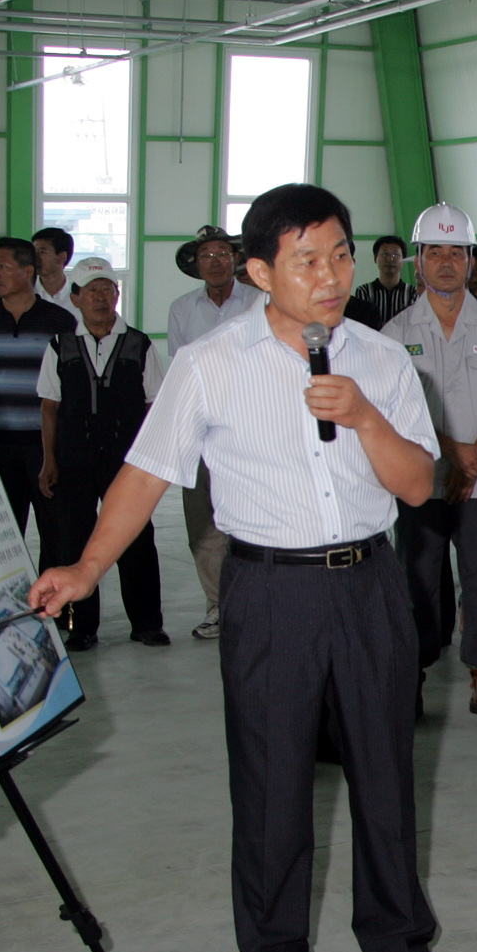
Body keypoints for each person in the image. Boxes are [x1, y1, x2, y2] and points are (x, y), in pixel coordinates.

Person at [30, 182, 467, 952]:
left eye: (341, 254)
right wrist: (86, 567)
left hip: (370, 586)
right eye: (308, 260)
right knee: (270, 792)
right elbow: (147, 473)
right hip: (269, 592)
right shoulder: (209, 363)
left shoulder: (380, 360)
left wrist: (364, 413)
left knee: (385, 775)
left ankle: (399, 951)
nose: (332, 275)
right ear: (262, 269)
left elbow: (419, 484)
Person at [380, 203, 477, 722]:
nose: (446, 261)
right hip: (420, 478)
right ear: (417, 262)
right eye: (434, 252)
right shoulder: (394, 334)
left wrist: (473, 460)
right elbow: (394, 411)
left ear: (471, 261)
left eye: (456, 252)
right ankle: (410, 679)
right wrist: (453, 453)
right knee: (415, 579)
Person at [34, 255, 166, 650]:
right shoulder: (59, 345)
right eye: (91, 290)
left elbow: (153, 406)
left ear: (117, 294)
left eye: (107, 289)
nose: (99, 297)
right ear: (75, 298)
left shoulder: (139, 344)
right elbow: (49, 406)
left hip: (126, 461)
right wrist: (49, 460)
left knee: (136, 537)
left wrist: (149, 461)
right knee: (73, 540)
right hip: (73, 458)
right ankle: (81, 627)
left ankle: (147, 623)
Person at [167, 225, 262, 640]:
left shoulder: (260, 302)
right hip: (201, 431)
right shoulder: (182, 309)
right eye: (206, 255)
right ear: (196, 264)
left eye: (222, 253)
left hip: (250, 430)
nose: (215, 262)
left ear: (236, 259)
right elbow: (178, 373)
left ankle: (254, 604)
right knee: (203, 522)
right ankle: (216, 606)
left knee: (251, 518)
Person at [0, 236, 78, 551]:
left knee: (56, 532)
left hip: (46, 447)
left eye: (2, 266)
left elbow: (73, 381)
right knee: (2, 535)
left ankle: (53, 601)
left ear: (28, 271)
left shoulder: (59, 321)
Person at [354, 234, 416, 326]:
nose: (390, 259)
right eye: (384, 254)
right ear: (376, 258)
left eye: (395, 254)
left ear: (403, 260)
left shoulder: (412, 292)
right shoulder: (364, 291)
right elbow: (363, 325)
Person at [30, 225, 74, 307]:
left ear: (61, 257)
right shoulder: (27, 293)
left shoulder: (78, 297)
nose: (36, 258)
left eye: (42, 252)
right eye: (34, 252)